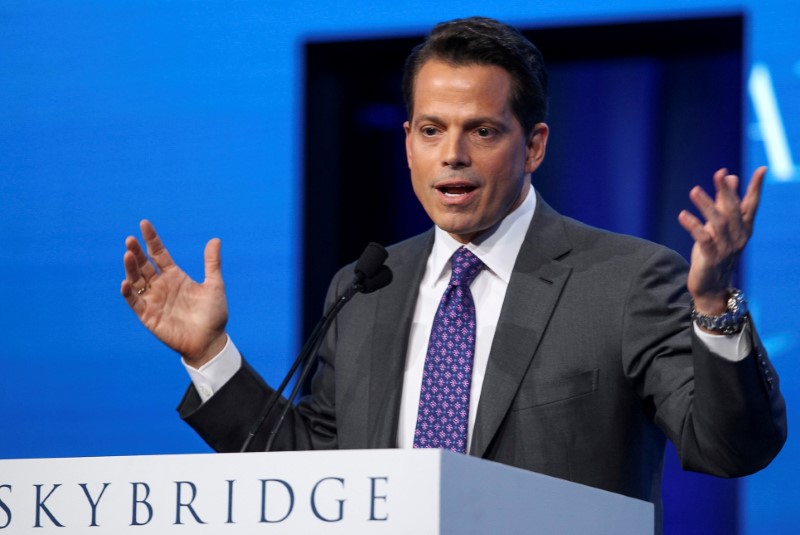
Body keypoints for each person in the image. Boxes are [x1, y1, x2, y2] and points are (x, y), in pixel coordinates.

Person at [121, 16, 786, 528]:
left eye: (484, 132)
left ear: (535, 145)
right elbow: (312, 478)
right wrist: (210, 354)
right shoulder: (364, 288)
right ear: (407, 140)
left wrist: (713, 304)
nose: (453, 157)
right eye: (432, 131)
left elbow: (732, 447)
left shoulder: (625, 279)